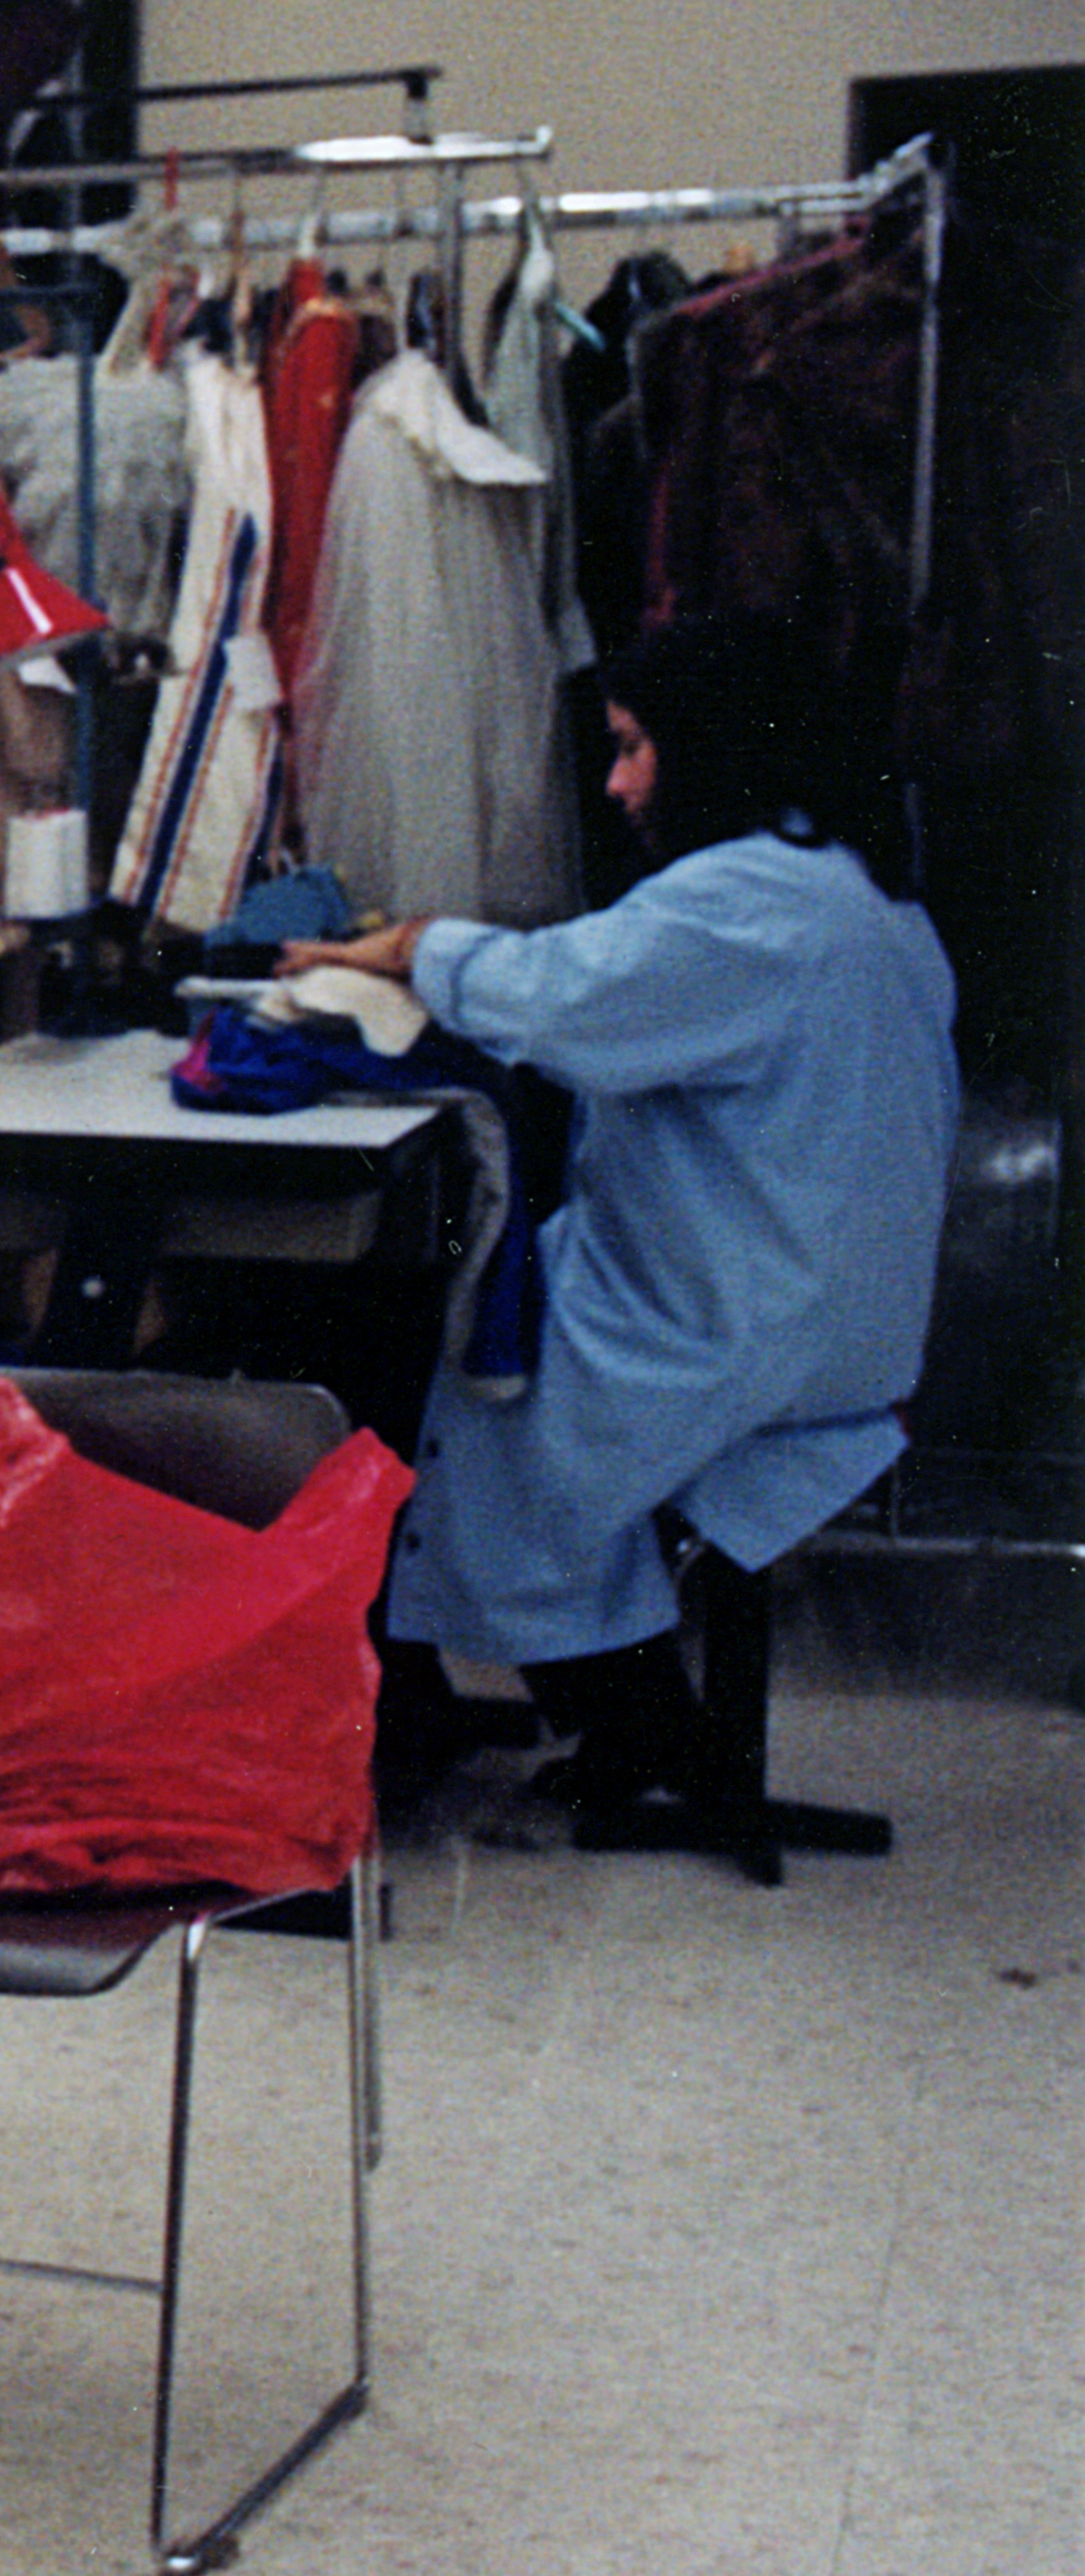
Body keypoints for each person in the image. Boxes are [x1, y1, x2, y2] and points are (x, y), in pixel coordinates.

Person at [276, 610, 955, 1834]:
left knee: (454, 1370)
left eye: (637, 747)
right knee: (485, 1322)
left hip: (739, 1318)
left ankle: (594, 1718)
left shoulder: (741, 898)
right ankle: (610, 1714)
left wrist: (406, 945)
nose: (618, 780)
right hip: (828, 1304)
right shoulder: (851, 885)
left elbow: (556, 997)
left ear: (713, 749)